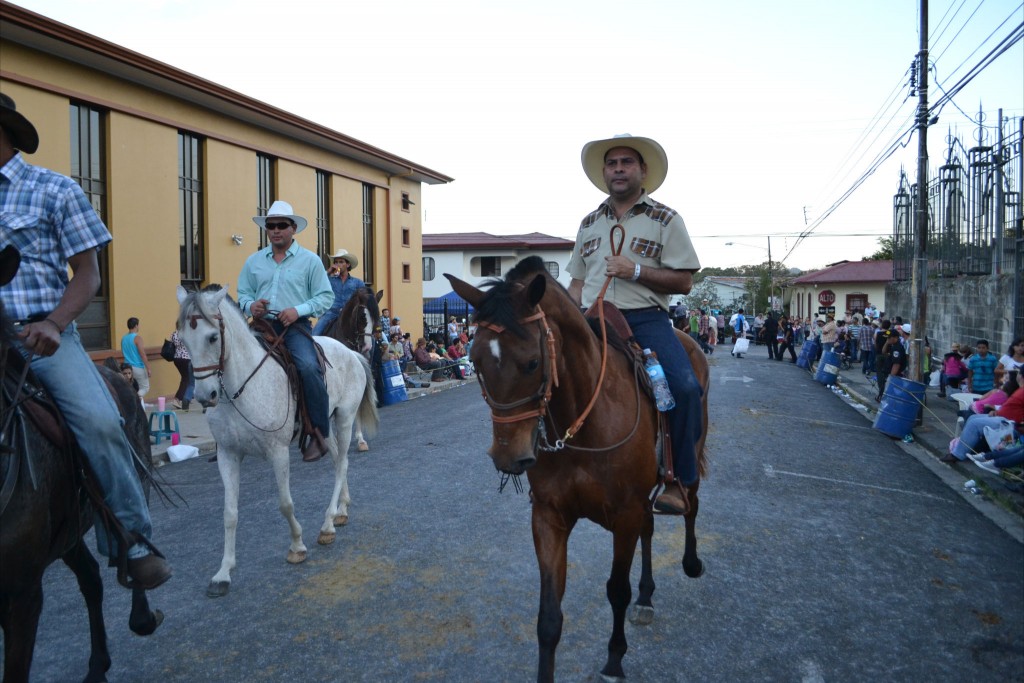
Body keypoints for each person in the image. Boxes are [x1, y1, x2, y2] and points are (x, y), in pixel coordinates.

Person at [0, 93, 171, 588]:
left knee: (98, 421)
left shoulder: (54, 190)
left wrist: (54, 324)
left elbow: (88, 274)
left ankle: (133, 539)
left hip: (39, 336)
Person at [567, 134, 702, 515]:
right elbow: (577, 280)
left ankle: (679, 481)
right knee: (546, 373)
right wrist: (568, 309)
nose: (619, 169)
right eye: (612, 163)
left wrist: (635, 270)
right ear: (604, 173)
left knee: (685, 387)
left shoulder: (665, 219)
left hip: (645, 320)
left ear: (643, 171)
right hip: (592, 319)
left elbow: (684, 281)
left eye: (627, 162)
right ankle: (550, 464)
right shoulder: (589, 222)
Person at [238, 200, 333, 461]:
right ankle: (233, 428)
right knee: (230, 361)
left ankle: (318, 432)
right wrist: (251, 305)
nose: (275, 230)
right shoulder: (254, 261)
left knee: (307, 367)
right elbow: (243, 294)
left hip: (295, 326)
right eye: (271, 226)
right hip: (261, 324)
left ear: (293, 228)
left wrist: (298, 310)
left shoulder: (310, 261)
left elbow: (325, 297)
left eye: (281, 225)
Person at [944, 382, 1023, 464]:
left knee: (974, 423)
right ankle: (962, 447)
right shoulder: (1020, 390)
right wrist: (997, 411)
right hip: (1003, 417)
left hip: (1010, 423)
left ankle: (957, 455)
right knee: (972, 418)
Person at [312, 248, 363, 335]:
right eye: (336, 262)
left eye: (341, 262)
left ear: (347, 264)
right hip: (331, 313)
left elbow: (363, 300)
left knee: (369, 336)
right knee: (315, 334)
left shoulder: (358, 282)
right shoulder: (329, 280)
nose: (338, 264)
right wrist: (328, 271)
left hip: (350, 314)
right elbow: (316, 282)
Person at [120, 317, 152, 400]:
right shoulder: (137, 338)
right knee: (145, 388)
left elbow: (124, 353)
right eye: (138, 325)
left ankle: (136, 402)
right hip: (138, 367)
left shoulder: (123, 339)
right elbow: (142, 354)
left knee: (131, 387)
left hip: (127, 367)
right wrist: (148, 368)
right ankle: (135, 400)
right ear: (136, 325)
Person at [170, 328, 194, 410]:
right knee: (186, 380)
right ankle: (177, 399)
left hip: (177, 358)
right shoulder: (186, 333)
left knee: (185, 378)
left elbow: (173, 344)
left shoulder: (174, 334)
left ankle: (187, 396)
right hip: (186, 358)